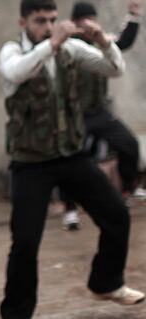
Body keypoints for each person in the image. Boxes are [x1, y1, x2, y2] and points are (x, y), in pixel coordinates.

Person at [0, 0, 145, 318]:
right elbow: (15, 72)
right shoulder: (12, 52)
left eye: (53, 20)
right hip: (31, 163)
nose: (49, 27)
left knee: (117, 214)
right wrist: (51, 44)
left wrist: (104, 41)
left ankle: (106, 282)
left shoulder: (70, 49)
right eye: (40, 21)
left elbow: (114, 69)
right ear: (23, 23)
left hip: (71, 156)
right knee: (25, 242)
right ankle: (16, 313)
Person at [60, 0, 142, 231]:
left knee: (129, 144)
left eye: (93, 19)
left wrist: (133, 16)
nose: (91, 24)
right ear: (76, 22)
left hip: (99, 113)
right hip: (75, 117)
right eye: (86, 19)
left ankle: (128, 188)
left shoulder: (99, 41)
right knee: (69, 160)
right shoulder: (67, 46)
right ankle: (70, 209)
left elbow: (122, 42)